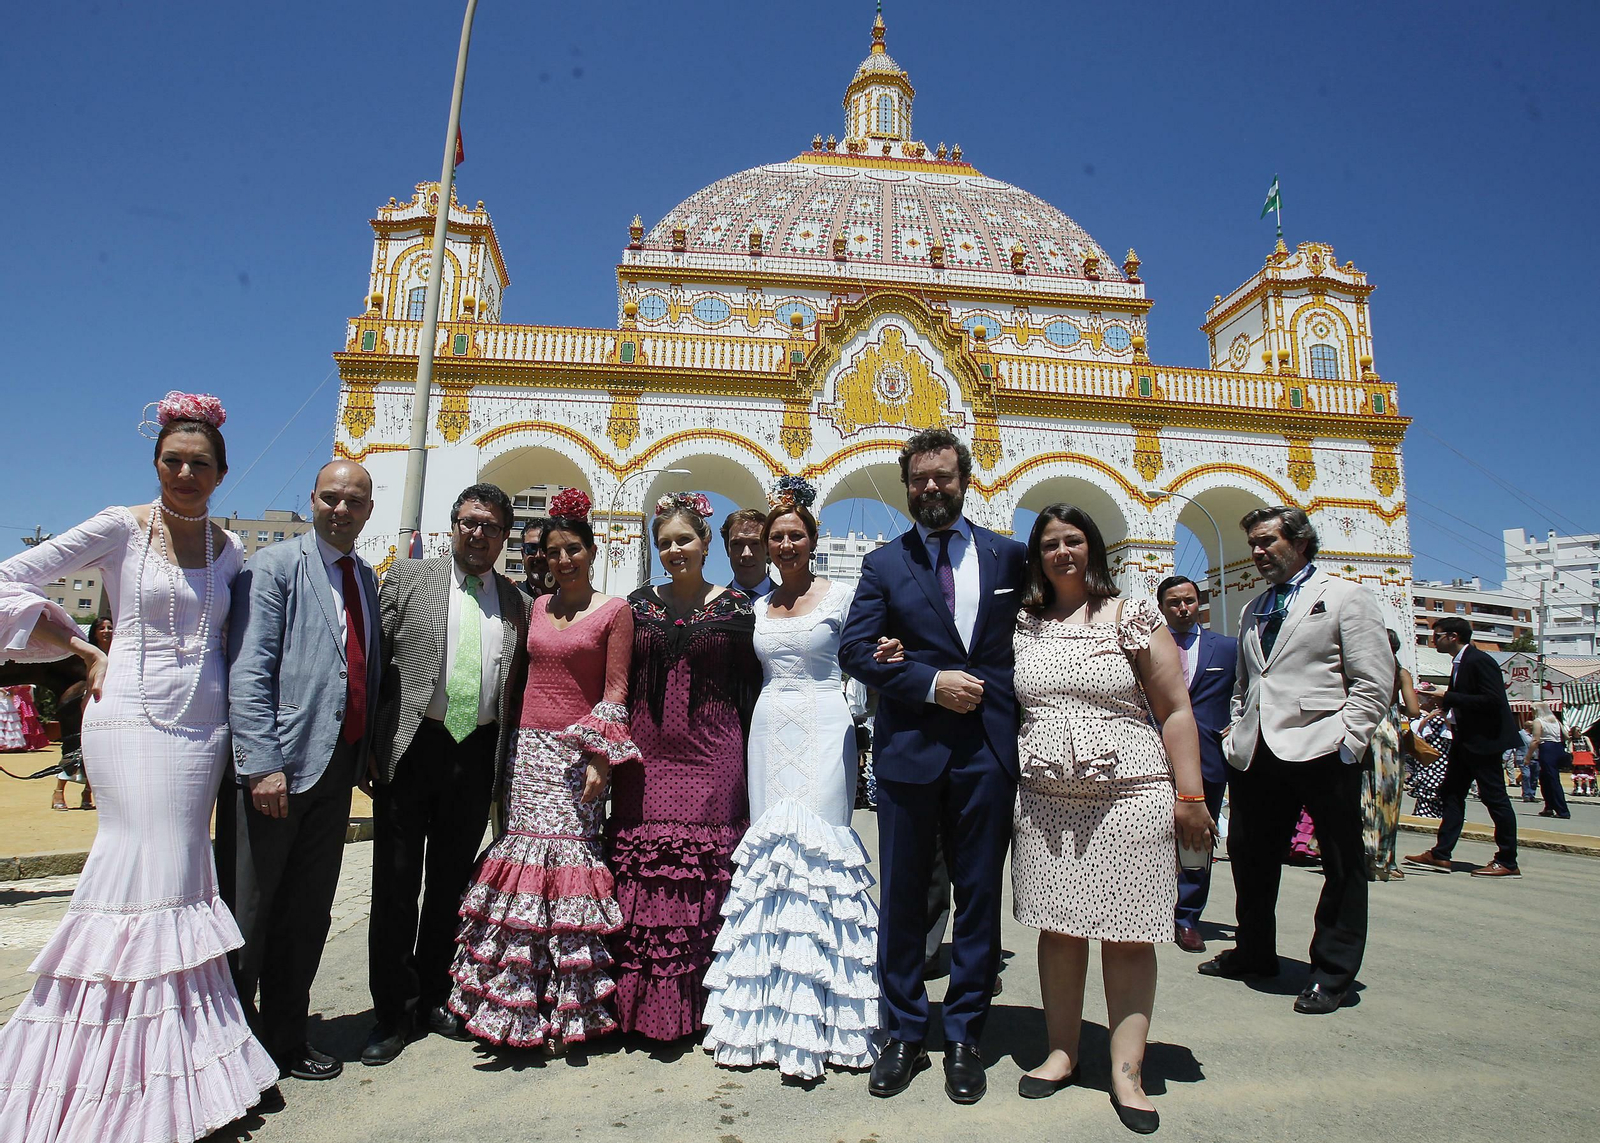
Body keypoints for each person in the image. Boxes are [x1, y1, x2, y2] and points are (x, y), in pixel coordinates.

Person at [0, 392, 277, 1140]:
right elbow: (9, 577)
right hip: (129, 717)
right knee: (138, 863)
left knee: (184, 873)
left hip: (201, 729)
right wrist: (80, 645)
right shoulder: (119, 527)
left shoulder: (230, 548)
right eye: (172, 460)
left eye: (199, 463)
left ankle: (184, 1059)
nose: (185, 473)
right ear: (156, 463)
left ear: (221, 471)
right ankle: (99, 1060)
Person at [1008, 507, 1213, 1133]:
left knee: (1127, 935)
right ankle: (1062, 1052)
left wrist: (1192, 797)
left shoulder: (1133, 615)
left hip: (1130, 793)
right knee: (1058, 931)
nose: (1063, 552)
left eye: (1074, 541)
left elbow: (1175, 708)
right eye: (1050, 543)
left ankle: (1128, 1071)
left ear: (1093, 548)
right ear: (1037, 555)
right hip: (1044, 797)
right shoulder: (1024, 622)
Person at [838, 428, 1026, 1104]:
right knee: (905, 899)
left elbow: (1038, 637)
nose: (932, 488)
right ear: (906, 485)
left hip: (986, 754)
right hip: (910, 753)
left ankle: (967, 1035)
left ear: (964, 479)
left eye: (943, 476)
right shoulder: (885, 564)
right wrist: (926, 680)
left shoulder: (1009, 557)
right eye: (920, 479)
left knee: (978, 898)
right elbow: (856, 651)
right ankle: (905, 1033)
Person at [703, 480, 884, 1081]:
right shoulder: (755, 607)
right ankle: (762, 1014)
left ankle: (831, 1017)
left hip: (827, 724)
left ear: (812, 540)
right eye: (776, 536)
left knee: (822, 851)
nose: (784, 544)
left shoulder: (845, 595)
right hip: (769, 727)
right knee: (772, 853)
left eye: (794, 535)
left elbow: (865, 657)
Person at [447, 488, 638, 1050]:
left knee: (568, 863)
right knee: (522, 858)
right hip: (526, 752)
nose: (563, 561)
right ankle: (510, 1000)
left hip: (578, 754)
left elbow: (616, 690)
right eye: (553, 552)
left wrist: (602, 757)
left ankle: (567, 1007)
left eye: (573, 550)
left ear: (591, 551)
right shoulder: (532, 607)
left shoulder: (614, 611)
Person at [219, 459, 381, 1081]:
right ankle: (230, 1054)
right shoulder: (274, 568)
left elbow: (361, 672)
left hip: (334, 769)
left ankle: (286, 1037)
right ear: (312, 499)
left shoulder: (364, 578)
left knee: (307, 913)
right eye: (331, 498)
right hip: (277, 770)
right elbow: (250, 670)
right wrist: (261, 764)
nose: (341, 509)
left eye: (355, 501)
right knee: (249, 915)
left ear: (368, 510)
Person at [1201, 505, 1394, 1017]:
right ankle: (1255, 950)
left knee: (1340, 861)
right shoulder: (1253, 607)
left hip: (1322, 746)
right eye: (1253, 545)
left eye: (1267, 542)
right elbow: (1248, 679)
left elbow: (1375, 680)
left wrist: (1349, 739)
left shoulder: (1345, 597)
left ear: (1301, 541)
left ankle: (1332, 971)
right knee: (1249, 855)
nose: (1259, 553)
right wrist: (1234, 728)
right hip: (1257, 751)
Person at [363, 483, 531, 1064]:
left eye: (489, 525)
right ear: (452, 524)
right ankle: (390, 1013)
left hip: (476, 752)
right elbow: (375, 664)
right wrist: (368, 746)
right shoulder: (408, 580)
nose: (477, 533)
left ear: (504, 536)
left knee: (451, 887)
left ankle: (434, 994)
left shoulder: (517, 602)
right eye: (468, 522)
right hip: (413, 749)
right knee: (396, 885)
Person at [609, 491, 759, 1040]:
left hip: (714, 755)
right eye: (665, 542)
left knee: (704, 877)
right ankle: (637, 1008)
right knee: (645, 874)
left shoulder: (737, 608)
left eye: (685, 540)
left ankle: (706, 1011)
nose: (675, 550)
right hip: (645, 757)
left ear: (704, 545)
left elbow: (758, 680)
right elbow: (617, 682)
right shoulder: (635, 604)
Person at [1156, 574, 1237, 953]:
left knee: (1197, 841)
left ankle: (1187, 916)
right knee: (1149, 836)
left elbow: (1250, 693)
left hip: (1207, 759)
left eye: (1188, 600)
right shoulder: (1147, 647)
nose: (1182, 608)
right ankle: (1150, 908)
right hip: (1152, 756)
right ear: (1162, 607)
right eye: (1174, 602)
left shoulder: (1227, 649)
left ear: (1198, 602)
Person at [1404, 618, 1523, 876]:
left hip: (1484, 742)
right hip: (1464, 741)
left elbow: (1492, 700)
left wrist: (1447, 696)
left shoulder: (1479, 661)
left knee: (1495, 799)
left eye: (1437, 635)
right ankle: (1441, 853)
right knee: (1451, 793)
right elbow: (1466, 700)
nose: (1434, 640)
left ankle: (1507, 860)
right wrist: (1440, 706)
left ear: (1453, 636)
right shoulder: (1460, 662)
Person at [1363, 630, 1418, 883]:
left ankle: (1363, 852)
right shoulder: (1401, 673)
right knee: (1388, 798)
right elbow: (1414, 710)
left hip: (1365, 729)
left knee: (1364, 795)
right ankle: (1386, 859)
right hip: (1389, 732)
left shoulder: (1364, 669)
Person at [51, 617, 109, 810]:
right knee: (75, 749)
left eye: (109, 627)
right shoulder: (87, 652)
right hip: (88, 703)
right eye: (102, 628)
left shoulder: (121, 653)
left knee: (100, 755)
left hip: (112, 706)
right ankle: (59, 791)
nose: (106, 631)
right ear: (95, 632)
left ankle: (87, 793)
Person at [1407, 697, 1451, 818]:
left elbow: (1451, 730)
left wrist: (1444, 717)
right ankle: (1424, 811)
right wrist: (1428, 717)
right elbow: (1417, 730)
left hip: (1442, 752)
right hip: (1426, 752)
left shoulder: (1445, 713)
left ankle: (1442, 812)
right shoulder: (1418, 714)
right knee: (1427, 780)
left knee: (1443, 781)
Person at [1527, 703, 1571, 819]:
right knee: (1545, 779)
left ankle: (1563, 811)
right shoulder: (1556, 721)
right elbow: (1566, 735)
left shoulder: (1538, 721)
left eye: (1532, 709)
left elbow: (1535, 740)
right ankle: (1549, 807)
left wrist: (1528, 756)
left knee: (1552, 780)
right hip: (1558, 748)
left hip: (1547, 749)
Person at [722, 507, 774, 599]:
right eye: (737, 544)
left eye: (755, 543)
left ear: (768, 548)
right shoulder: (714, 607)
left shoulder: (790, 603)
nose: (746, 554)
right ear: (727, 548)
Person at [521, 515, 552, 599]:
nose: (539, 555)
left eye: (545, 548)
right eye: (531, 548)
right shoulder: (511, 598)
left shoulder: (572, 598)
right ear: (522, 554)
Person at [1515, 719, 1539, 802]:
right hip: (1523, 758)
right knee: (1526, 775)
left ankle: (1532, 794)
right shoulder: (1520, 734)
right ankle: (1526, 794)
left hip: (1535, 758)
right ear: (1528, 727)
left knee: (1534, 777)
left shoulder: (1536, 735)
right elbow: (1513, 744)